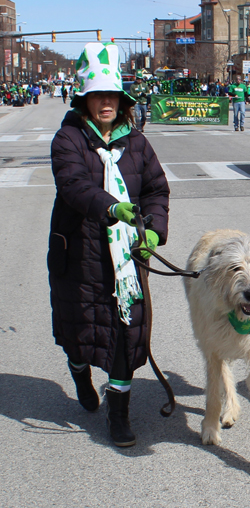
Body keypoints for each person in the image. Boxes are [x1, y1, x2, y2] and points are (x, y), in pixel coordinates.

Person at [48, 42, 170, 448]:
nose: (106, 102)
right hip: (79, 254)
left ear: (122, 99)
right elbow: (73, 186)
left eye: (112, 95)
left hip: (125, 260)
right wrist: (114, 208)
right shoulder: (68, 138)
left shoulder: (136, 142)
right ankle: (80, 374)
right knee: (80, 333)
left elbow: (155, 189)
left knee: (127, 333)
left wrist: (153, 231)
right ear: (84, 98)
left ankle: (119, 416)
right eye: (98, 95)